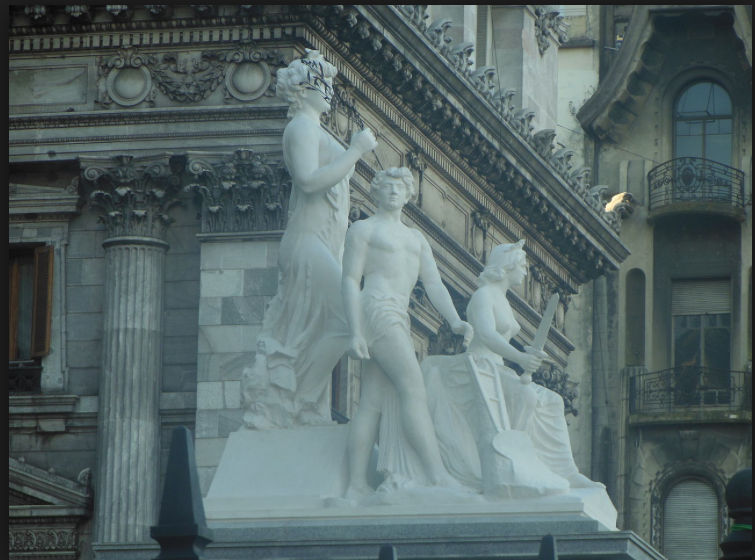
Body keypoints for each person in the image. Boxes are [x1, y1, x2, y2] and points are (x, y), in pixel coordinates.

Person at [241, 50, 378, 429]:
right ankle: (299, 399)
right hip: (307, 241)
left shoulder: (316, 131)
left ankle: (303, 401)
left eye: (329, 83)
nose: (329, 90)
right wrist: (355, 151)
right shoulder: (300, 128)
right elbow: (307, 181)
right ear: (301, 91)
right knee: (348, 318)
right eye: (321, 83)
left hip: (323, 242)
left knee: (330, 324)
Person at [422, 241, 603, 490]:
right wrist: (519, 358)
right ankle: (513, 457)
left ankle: (566, 471)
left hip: (499, 369)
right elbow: (486, 335)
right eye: (523, 266)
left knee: (554, 401)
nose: (526, 272)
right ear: (507, 266)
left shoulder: (503, 300)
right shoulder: (484, 296)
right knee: (526, 395)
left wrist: (525, 356)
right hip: (480, 367)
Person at [341, 167, 474, 498]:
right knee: (413, 388)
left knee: (371, 401)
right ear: (375, 192)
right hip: (376, 308)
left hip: (398, 314)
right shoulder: (364, 229)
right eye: (387, 186)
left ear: (408, 195)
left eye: (399, 187)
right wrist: (355, 330)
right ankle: (436, 474)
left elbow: (434, 284)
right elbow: (350, 280)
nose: (393, 192)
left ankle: (356, 484)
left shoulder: (416, 239)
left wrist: (455, 321)